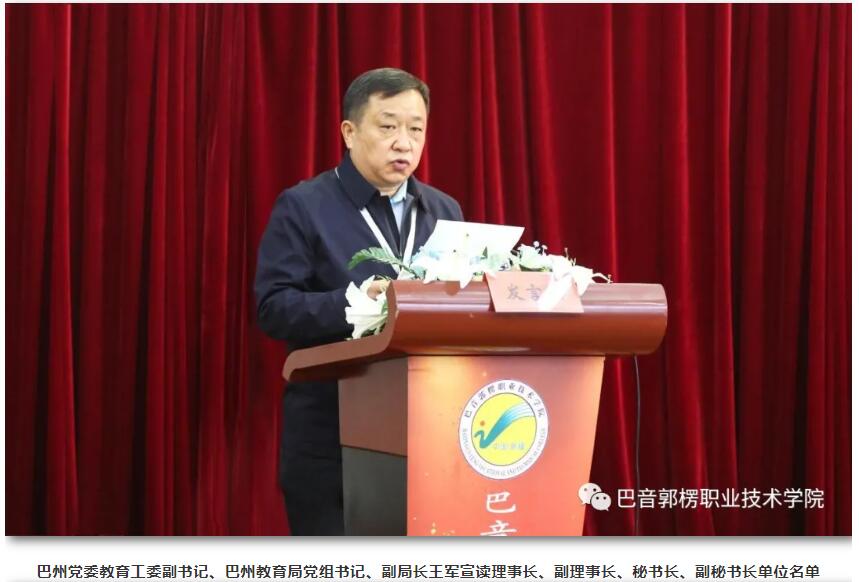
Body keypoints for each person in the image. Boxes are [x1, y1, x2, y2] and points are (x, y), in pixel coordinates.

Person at [254, 68, 464, 535]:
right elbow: (273, 308)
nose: (404, 143)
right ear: (349, 132)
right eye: (388, 127)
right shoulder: (304, 206)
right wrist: (354, 303)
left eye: (416, 129)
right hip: (333, 436)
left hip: (427, 430)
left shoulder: (444, 210)